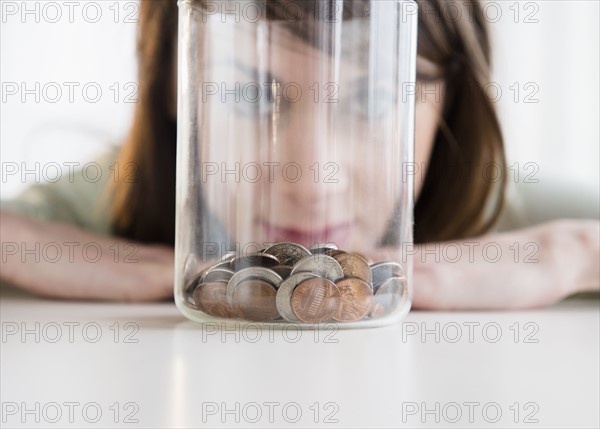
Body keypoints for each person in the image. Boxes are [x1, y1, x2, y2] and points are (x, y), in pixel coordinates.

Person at [1, 0, 598, 308]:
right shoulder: (83, 213)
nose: (312, 179)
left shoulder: (519, 221)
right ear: (172, 95)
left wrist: (577, 255)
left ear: (450, 106)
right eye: (247, 92)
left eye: (374, 97)